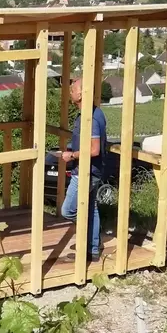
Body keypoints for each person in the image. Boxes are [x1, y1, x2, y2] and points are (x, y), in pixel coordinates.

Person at [58, 75, 109, 262]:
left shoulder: (92, 117)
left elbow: (94, 150)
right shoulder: (91, 113)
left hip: (87, 171)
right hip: (93, 170)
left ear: (81, 94)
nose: (70, 92)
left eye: (72, 90)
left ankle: (84, 243)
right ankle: (93, 250)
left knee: (69, 211)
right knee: (91, 208)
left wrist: (71, 155)